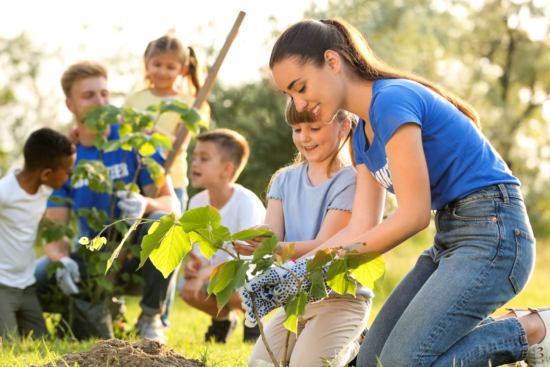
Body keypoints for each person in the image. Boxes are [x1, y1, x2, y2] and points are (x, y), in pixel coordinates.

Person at [267, 18, 548, 367]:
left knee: (401, 365)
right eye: (290, 95)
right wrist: (299, 269)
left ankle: (531, 331)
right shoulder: (359, 136)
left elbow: (413, 216)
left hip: (496, 234)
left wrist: (309, 269)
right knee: (372, 362)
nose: (300, 103)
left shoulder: (390, 101)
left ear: (332, 62)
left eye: (300, 87)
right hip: (451, 237)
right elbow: (359, 228)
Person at [34, 60, 181, 343]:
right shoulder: (65, 159)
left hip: (136, 259)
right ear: (70, 105)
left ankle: (150, 318)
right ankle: (86, 314)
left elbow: (171, 205)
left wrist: (144, 204)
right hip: (92, 259)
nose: (101, 102)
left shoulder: (135, 142)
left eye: (104, 93)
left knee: (165, 225)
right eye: (89, 96)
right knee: (40, 275)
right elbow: (55, 229)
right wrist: (62, 259)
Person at [233, 100, 370, 367]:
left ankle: (356, 343)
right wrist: (257, 239)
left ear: (343, 127)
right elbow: (272, 231)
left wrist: (275, 248)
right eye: (297, 128)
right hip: (296, 299)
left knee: (305, 365)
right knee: (260, 365)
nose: (304, 136)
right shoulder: (284, 179)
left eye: (314, 127)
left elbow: (324, 246)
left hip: (340, 300)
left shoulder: (350, 181)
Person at [178, 128, 266, 343]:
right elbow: (201, 250)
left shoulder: (246, 201)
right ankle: (223, 319)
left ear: (227, 169)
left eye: (204, 158)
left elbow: (244, 259)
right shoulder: (196, 202)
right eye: (194, 156)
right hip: (218, 274)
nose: (194, 163)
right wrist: (196, 265)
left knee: (236, 287)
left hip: (251, 276)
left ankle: (254, 321)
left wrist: (203, 275)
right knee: (185, 287)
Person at [0, 128, 75, 339]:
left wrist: (72, 138)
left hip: (26, 286)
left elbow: (53, 154)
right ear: (46, 174)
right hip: (1, 287)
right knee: (8, 344)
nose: (70, 177)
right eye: (68, 173)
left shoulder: (44, 188)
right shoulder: (5, 192)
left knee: (41, 342)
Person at [123, 34, 210, 215]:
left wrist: (151, 130)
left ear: (183, 69)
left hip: (172, 184)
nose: (162, 72)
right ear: (147, 63)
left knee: (166, 236)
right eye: (157, 64)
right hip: (135, 183)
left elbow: (178, 147)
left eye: (170, 67)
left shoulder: (189, 104)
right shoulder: (134, 100)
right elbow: (119, 134)